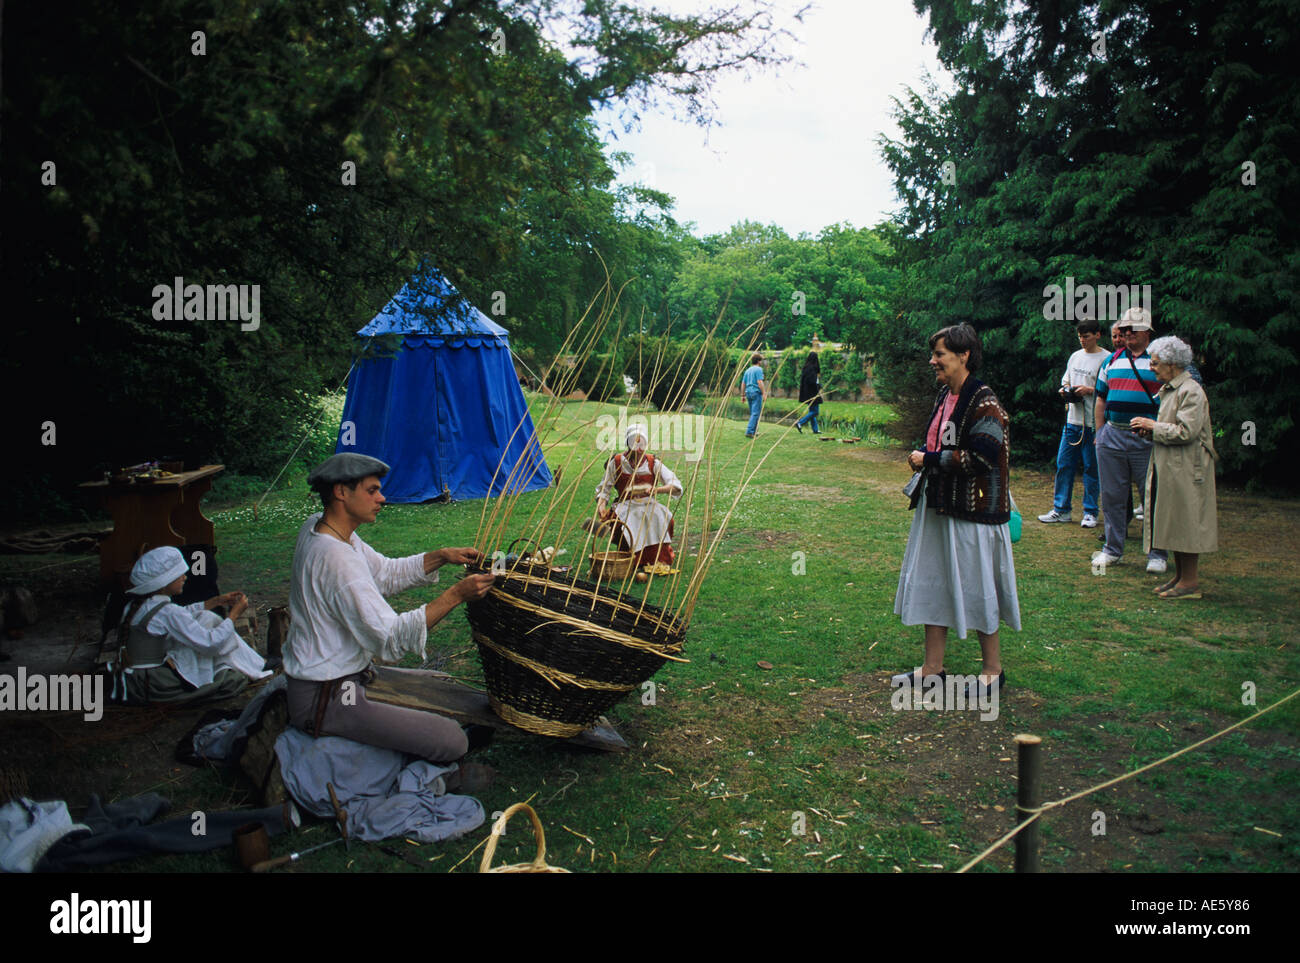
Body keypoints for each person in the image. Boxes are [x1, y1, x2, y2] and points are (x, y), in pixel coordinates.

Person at [283, 453, 497, 762]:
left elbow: (385, 573)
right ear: (341, 492)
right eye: (372, 491)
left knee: (441, 685)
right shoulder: (335, 559)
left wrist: (441, 555)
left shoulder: (325, 530)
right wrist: (456, 595)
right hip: (326, 698)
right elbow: (390, 640)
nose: (382, 498)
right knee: (451, 741)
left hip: (338, 681)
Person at [894, 323, 1020, 697]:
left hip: (974, 513)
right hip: (940, 505)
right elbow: (941, 441)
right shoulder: (945, 396)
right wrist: (927, 457)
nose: (933, 361)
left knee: (977, 584)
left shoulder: (985, 402)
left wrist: (929, 458)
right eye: (933, 354)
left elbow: (982, 455)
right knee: (934, 579)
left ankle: (992, 672)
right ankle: (932, 669)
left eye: (940, 355)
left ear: (964, 355)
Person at [113, 546, 274, 704]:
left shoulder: (139, 604)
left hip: (132, 678)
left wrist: (214, 601)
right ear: (163, 583)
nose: (185, 577)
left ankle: (257, 664)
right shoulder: (168, 612)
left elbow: (182, 614)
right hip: (152, 683)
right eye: (179, 574)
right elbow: (211, 643)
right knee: (232, 680)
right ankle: (256, 665)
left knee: (206, 617)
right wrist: (233, 615)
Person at [1130, 337, 1218, 599]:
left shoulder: (1191, 391)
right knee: (1175, 521)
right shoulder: (1171, 389)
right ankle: (1181, 576)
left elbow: (1187, 431)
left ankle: (1190, 582)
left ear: (1172, 364)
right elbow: (1171, 428)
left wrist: (1153, 426)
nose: (1151, 368)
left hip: (1189, 469)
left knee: (1187, 523)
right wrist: (1149, 432)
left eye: (1156, 363)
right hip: (1173, 465)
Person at [1092, 307, 1168, 574]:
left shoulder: (1159, 362)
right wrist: (1099, 434)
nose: (1126, 334)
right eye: (1123, 330)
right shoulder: (1111, 361)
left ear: (1146, 332)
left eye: (1131, 330)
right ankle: (1113, 549)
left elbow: (1169, 400)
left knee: (1152, 496)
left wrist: (1158, 429)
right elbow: (1100, 399)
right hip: (1112, 435)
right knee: (1112, 496)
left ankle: (1157, 553)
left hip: (1147, 438)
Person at [1038, 319, 1107, 527]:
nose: (1082, 340)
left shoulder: (1106, 359)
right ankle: (1061, 509)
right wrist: (1065, 389)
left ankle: (1090, 512)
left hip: (1093, 422)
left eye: (1086, 336)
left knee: (1091, 467)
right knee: (1064, 464)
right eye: (1080, 337)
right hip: (1072, 420)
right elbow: (1066, 379)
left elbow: (1110, 389)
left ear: (1097, 335)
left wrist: (1089, 391)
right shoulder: (1075, 356)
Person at [594, 424, 683, 567]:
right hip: (625, 504)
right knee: (629, 519)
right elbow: (604, 489)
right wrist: (601, 507)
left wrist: (656, 490)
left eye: (642, 444)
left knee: (662, 516)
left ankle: (658, 559)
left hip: (648, 503)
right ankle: (630, 559)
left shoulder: (653, 462)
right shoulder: (616, 462)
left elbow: (675, 485)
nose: (639, 449)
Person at [794, 352, 823, 434]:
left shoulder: (806, 367)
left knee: (812, 410)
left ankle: (815, 429)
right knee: (815, 412)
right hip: (812, 392)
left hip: (806, 393)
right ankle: (800, 422)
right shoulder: (812, 368)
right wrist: (818, 385)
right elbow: (812, 381)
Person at [741, 352, 766, 438]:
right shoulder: (759, 369)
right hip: (756, 393)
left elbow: (743, 383)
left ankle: (754, 431)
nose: (761, 362)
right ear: (759, 361)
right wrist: (764, 393)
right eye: (761, 360)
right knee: (755, 413)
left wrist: (742, 395)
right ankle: (749, 431)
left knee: (753, 413)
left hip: (748, 393)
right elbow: (760, 382)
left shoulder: (747, 370)